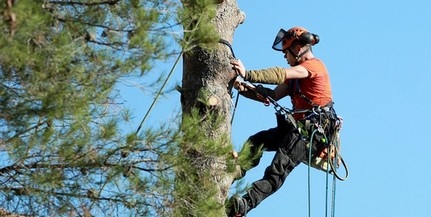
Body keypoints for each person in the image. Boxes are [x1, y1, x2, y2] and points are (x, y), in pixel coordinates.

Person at [227, 26, 339, 216]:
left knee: (277, 170)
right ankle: (235, 170)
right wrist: (242, 87)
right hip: (297, 129)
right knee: (258, 140)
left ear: (297, 49)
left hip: (310, 133)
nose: (284, 56)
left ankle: (244, 205)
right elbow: (271, 95)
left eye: (286, 51)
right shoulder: (296, 78)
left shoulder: (313, 66)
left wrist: (249, 74)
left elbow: (280, 73)